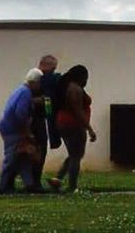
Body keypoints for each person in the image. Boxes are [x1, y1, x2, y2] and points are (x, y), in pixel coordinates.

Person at [0, 68, 45, 194]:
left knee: (23, 159)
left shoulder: (20, 90)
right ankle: (2, 186)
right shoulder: (26, 93)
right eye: (39, 83)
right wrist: (27, 132)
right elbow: (21, 114)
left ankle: (30, 184)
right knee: (11, 158)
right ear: (35, 82)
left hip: (9, 128)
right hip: (13, 130)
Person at [48, 64, 97, 192]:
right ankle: (72, 186)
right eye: (86, 77)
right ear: (80, 77)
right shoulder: (75, 89)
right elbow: (78, 111)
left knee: (74, 154)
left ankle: (58, 179)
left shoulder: (67, 87)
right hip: (73, 124)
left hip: (64, 122)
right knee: (76, 155)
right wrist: (89, 128)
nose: (86, 81)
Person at [30, 54, 61, 189]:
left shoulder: (36, 78)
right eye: (53, 69)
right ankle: (33, 181)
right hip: (35, 120)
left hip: (38, 119)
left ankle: (33, 181)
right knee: (39, 149)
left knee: (38, 149)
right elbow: (35, 101)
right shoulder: (38, 80)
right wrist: (46, 101)